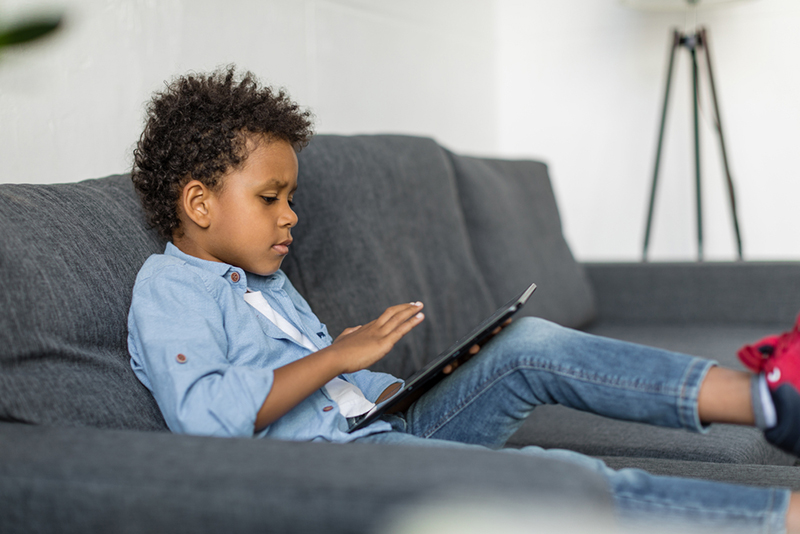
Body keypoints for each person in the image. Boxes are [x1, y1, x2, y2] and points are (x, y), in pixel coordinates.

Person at [127, 66, 800, 533]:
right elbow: (206, 418)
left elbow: (340, 395)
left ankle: (766, 398)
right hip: (337, 467)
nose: (290, 216)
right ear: (198, 202)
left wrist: (399, 385)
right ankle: (782, 518)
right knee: (559, 477)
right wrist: (336, 356)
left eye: (292, 198)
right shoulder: (170, 290)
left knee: (528, 345)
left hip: (385, 425)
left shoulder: (266, 280)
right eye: (270, 198)